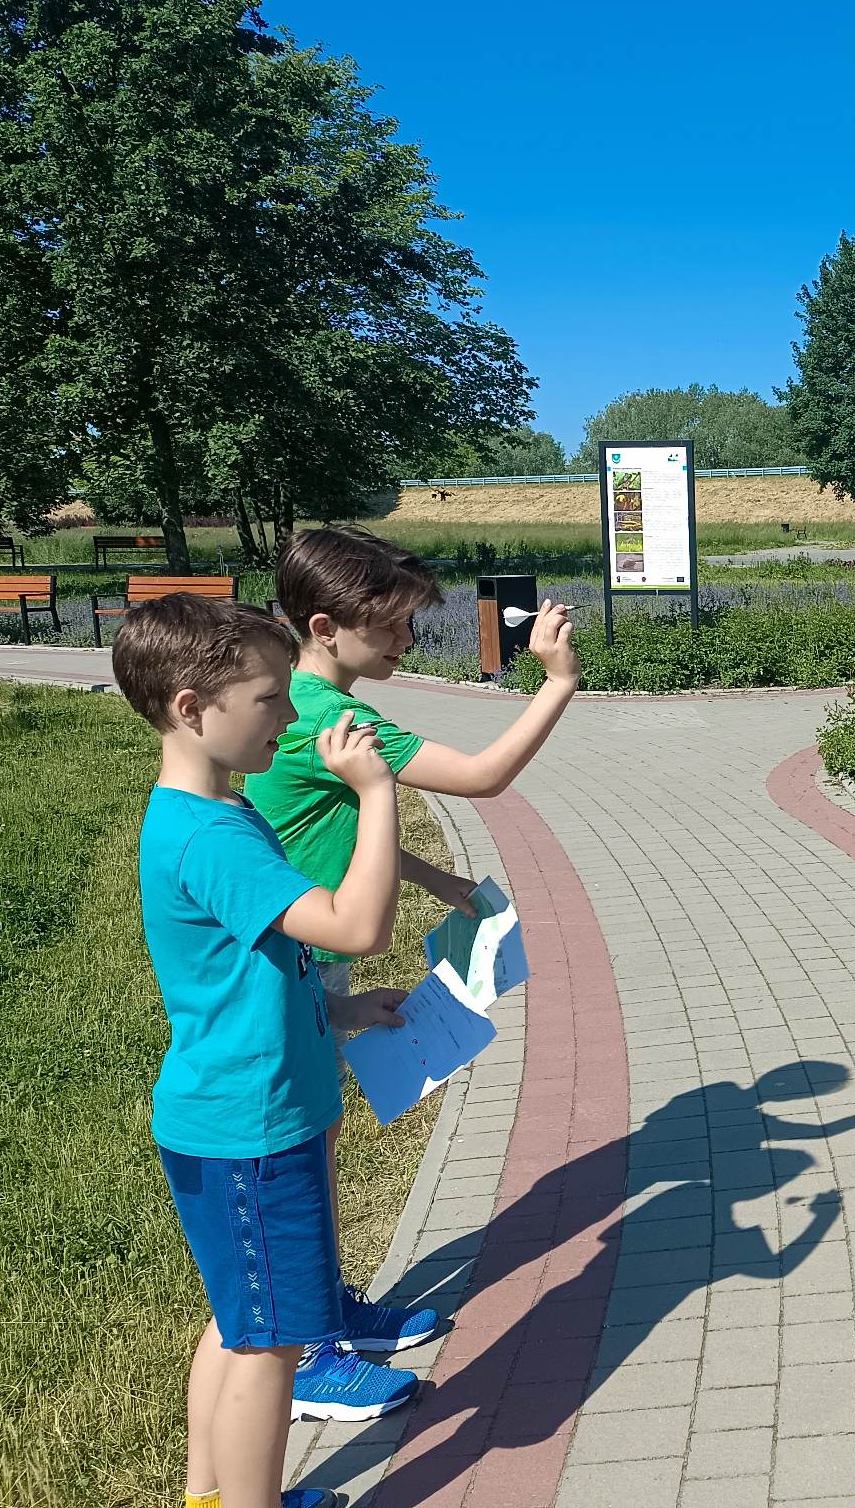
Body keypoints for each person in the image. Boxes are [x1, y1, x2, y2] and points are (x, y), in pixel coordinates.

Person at [245, 526, 579, 1413]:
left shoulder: (301, 705)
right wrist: (556, 682)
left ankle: (327, 1309)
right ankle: (306, 1357)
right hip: (291, 963)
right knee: (295, 1159)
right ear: (325, 627)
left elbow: (327, 824)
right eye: (390, 625)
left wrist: (437, 880)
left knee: (317, 1143)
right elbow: (482, 776)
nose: (406, 640)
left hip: (306, 957)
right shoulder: (329, 719)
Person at [111, 595, 412, 1508]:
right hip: (252, 1131)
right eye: (269, 698)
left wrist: (344, 1012)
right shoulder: (212, 836)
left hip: (238, 1114)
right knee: (272, 1345)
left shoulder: (214, 813)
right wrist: (377, 792)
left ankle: (211, 1497)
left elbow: (251, 969)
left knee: (242, 1323)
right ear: (192, 708)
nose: (289, 715)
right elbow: (357, 925)